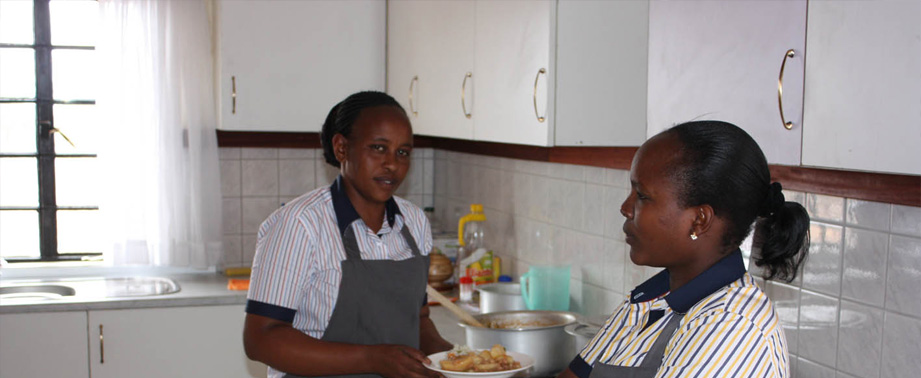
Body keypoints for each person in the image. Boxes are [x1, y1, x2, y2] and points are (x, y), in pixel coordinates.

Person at [559, 120, 810, 378]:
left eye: (642, 195)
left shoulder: (731, 327)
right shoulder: (648, 300)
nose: (626, 207)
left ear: (699, 220)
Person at [243, 91, 453, 378]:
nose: (392, 164)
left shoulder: (414, 223)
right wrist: (372, 359)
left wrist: (453, 361)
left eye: (403, 152)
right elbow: (261, 339)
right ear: (341, 148)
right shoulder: (299, 224)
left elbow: (418, 319)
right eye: (379, 148)